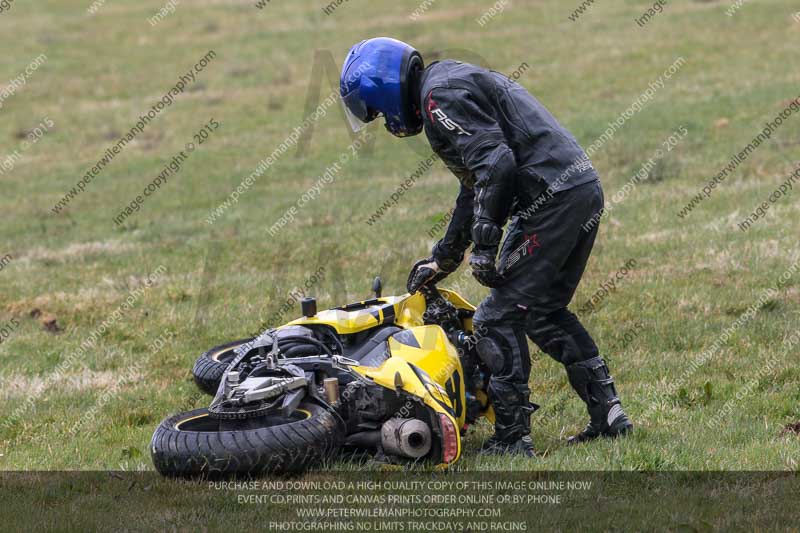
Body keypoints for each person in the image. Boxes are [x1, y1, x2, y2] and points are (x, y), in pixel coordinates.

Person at [340, 37, 632, 457]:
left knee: (497, 317)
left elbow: (497, 164)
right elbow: (476, 182)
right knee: (543, 313)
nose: (385, 123)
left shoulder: (439, 99)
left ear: (381, 88)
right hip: (576, 189)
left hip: (552, 199)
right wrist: (444, 257)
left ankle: (514, 439)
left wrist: (485, 243)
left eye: (377, 112)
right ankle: (609, 416)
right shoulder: (443, 84)